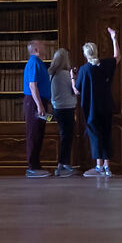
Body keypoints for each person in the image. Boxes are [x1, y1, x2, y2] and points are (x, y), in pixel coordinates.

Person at [75, 25, 119, 177]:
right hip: (106, 107)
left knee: (95, 136)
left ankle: (99, 166)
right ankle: (107, 167)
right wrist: (114, 38)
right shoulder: (105, 65)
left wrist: (71, 77)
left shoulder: (84, 70)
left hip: (91, 109)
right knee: (106, 134)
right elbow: (117, 57)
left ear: (86, 54)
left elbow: (77, 90)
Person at [22, 38, 53, 176]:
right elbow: (32, 85)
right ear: (36, 50)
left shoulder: (39, 63)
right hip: (34, 102)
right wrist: (40, 105)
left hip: (40, 101)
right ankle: (32, 167)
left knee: (39, 133)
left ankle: (36, 165)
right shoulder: (34, 62)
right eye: (43, 45)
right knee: (34, 134)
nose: (46, 47)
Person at [48, 46, 81, 175]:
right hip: (67, 109)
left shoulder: (50, 74)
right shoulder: (66, 75)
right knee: (67, 136)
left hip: (56, 108)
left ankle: (63, 163)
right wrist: (75, 77)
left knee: (64, 135)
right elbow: (76, 90)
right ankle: (63, 163)